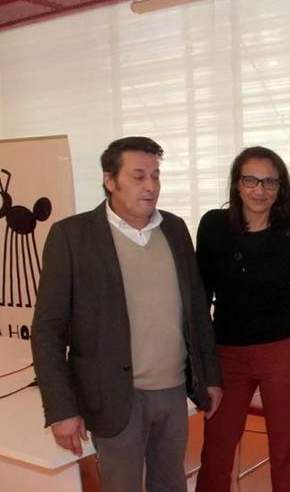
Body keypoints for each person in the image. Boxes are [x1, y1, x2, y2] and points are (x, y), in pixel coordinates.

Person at [31, 136, 223, 492]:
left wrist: (209, 376)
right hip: (114, 396)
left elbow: (197, 309)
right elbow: (47, 331)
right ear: (109, 180)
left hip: (173, 391)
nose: (151, 187)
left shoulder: (175, 229)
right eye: (138, 177)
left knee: (171, 483)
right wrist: (61, 409)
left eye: (156, 176)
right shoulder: (72, 236)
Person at [194, 146, 290, 492]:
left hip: (281, 352)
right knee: (217, 449)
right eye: (251, 180)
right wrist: (200, 362)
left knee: (284, 449)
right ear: (236, 184)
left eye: (269, 182)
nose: (260, 190)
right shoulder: (213, 226)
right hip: (226, 355)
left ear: (280, 188)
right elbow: (200, 299)